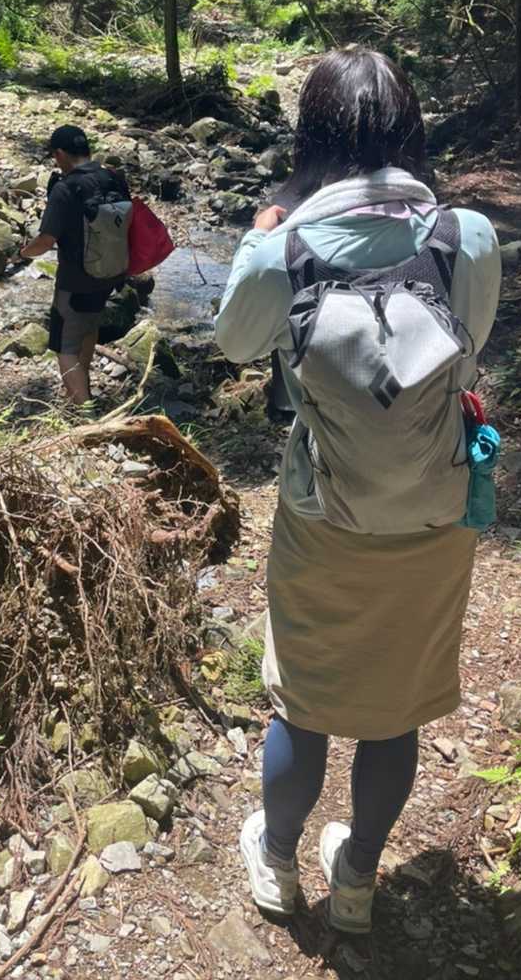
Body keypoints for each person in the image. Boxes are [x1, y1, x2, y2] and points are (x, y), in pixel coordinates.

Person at [214, 48, 500, 934]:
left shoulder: (282, 251)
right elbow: (469, 350)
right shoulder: (466, 236)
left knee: (303, 702)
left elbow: (233, 345)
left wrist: (260, 235)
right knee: (394, 707)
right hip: (436, 508)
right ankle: (359, 879)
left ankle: (277, 861)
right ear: (412, 131)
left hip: (324, 513)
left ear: (311, 137)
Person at [20, 125, 130, 405]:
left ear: (59, 154)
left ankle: (84, 411)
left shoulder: (65, 188)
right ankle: (79, 390)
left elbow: (46, 241)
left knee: (65, 346)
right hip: (111, 272)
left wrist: (22, 254)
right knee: (89, 327)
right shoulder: (114, 178)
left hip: (76, 280)